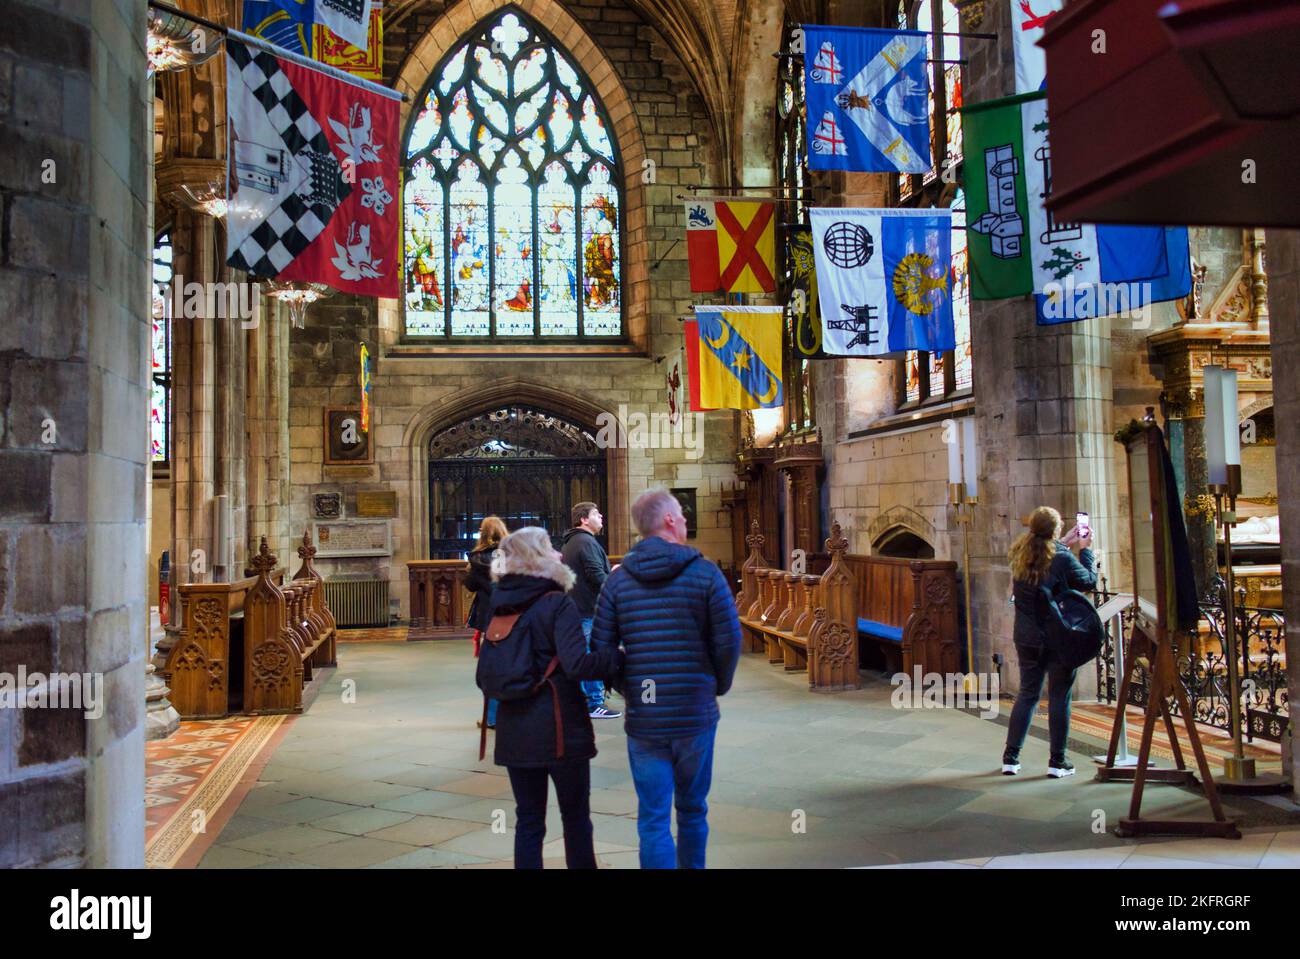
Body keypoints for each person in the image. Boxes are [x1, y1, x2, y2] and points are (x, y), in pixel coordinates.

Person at [591, 488, 741, 869]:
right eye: (684, 517)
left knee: (653, 818)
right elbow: (728, 640)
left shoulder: (618, 582)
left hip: (647, 715)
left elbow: (602, 651)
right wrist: (715, 685)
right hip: (694, 710)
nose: (687, 523)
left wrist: (630, 688)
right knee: (692, 811)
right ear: (671, 521)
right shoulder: (705, 572)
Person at [480, 527, 624, 869]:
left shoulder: (499, 606)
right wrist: (615, 657)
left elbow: (486, 673)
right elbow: (577, 665)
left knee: (528, 821)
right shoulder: (557, 603)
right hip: (561, 728)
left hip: (515, 729)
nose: (559, 554)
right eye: (549, 548)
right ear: (537, 558)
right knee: (575, 818)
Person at [1002, 506, 1098, 779]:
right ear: (1055, 529)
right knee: (1059, 696)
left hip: (1026, 636)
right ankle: (1058, 761)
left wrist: (1064, 544)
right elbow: (1088, 581)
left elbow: (1046, 560)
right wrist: (1085, 548)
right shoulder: (1063, 558)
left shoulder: (1020, 552)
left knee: (1028, 694)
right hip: (1057, 637)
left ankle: (1011, 757)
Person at [561, 502, 622, 720]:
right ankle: (594, 703)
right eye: (596, 513)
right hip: (587, 610)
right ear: (584, 519)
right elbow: (596, 575)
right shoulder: (585, 541)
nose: (602, 516)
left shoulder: (575, 541)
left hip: (580, 609)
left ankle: (590, 699)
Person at [465, 515, 507, 729]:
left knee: (491, 667)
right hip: (508, 615)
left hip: (488, 617)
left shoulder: (476, 558)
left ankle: (492, 716)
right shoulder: (508, 554)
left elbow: (471, 585)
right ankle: (507, 715)